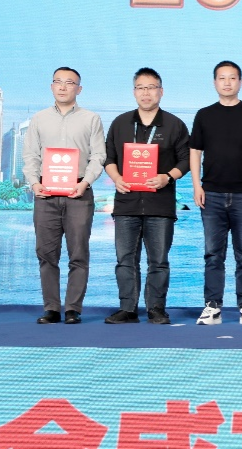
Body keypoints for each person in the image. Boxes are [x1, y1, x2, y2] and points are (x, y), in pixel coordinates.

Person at [103, 68, 190, 324]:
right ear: (134, 92)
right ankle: (127, 309)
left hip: (160, 204)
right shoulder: (120, 123)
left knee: (159, 261)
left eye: (151, 87)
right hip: (126, 203)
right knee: (125, 260)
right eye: (141, 87)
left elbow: (186, 160)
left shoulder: (174, 124)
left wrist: (168, 177)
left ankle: (156, 309)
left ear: (161, 91)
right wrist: (116, 178)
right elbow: (108, 158)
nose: (146, 93)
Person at [22, 66, 106, 324]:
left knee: (78, 253)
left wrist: (86, 182)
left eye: (69, 82)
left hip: (79, 192)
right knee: (46, 253)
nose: (62, 86)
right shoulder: (39, 119)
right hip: (45, 193)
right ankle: (51, 308)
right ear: (51, 86)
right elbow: (30, 155)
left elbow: (98, 156)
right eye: (58, 81)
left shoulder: (91, 119)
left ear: (79, 89)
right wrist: (34, 183)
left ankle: (73, 309)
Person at [190, 61, 242, 326]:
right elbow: (195, 153)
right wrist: (197, 185)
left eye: (232, 78)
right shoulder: (204, 115)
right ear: (214, 82)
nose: (227, 82)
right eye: (222, 78)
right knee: (213, 254)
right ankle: (212, 306)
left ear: (240, 82)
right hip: (211, 195)